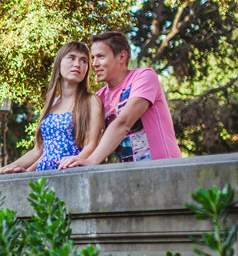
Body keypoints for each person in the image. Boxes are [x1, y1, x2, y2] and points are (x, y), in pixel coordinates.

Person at [0, 41, 104, 176]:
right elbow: (39, 150)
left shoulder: (91, 101)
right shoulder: (52, 104)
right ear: (58, 65)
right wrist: (1, 171)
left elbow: (91, 145)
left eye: (83, 61)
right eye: (71, 58)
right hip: (42, 177)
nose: (77, 64)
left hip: (71, 174)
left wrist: (74, 162)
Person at [59, 31, 181, 167]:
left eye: (101, 56)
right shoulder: (99, 97)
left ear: (121, 57)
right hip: (128, 175)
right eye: (93, 58)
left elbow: (124, 123)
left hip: (164, 168)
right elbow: (87, 139)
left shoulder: (143, 77)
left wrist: (91, 161)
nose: (94, 64)